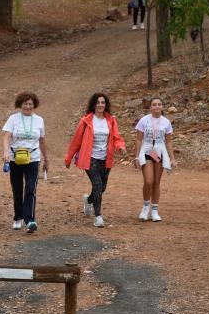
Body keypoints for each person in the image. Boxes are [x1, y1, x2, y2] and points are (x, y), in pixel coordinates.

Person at [64, 93, 127, 228]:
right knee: (98, 185)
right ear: (93, 105)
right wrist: (68, 158)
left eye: (103, 102)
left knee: (102, 187)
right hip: (90, 158)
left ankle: (89, 200)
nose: (100, 105)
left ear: (106, 105)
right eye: (98, 102)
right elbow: (76, 141)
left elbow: (116, 137)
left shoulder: (111, 120)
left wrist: (120, 147)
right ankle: (98, 216)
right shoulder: (86, 121)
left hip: (106, 159)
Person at [2, 92, 48, 233]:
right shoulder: (13, 118)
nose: (28, 106)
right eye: (25, 103)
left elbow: (41, 140)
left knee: (30, 188)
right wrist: (5, 152)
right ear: (20, 104)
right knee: (17, 188)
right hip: (15, 158)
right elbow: (7, 136)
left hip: (33, 158)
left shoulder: (39, 120)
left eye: (30, 103)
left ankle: (29, 220)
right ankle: (18, 217)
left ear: (34, 105)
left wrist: (46, 159)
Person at [132, 97, 176, 222]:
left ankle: (155, 210)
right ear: (150, 107)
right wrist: (136, 157)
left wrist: (172, 158)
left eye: (159, 104)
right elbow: (139, 139)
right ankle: (145, 208)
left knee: (156, 182)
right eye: (154, 104)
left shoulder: (166, 122)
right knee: (149, 181)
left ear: (162, 107)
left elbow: (168, 141)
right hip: (147, 150)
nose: (157, 106)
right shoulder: (144, 120)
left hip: (159, 151)